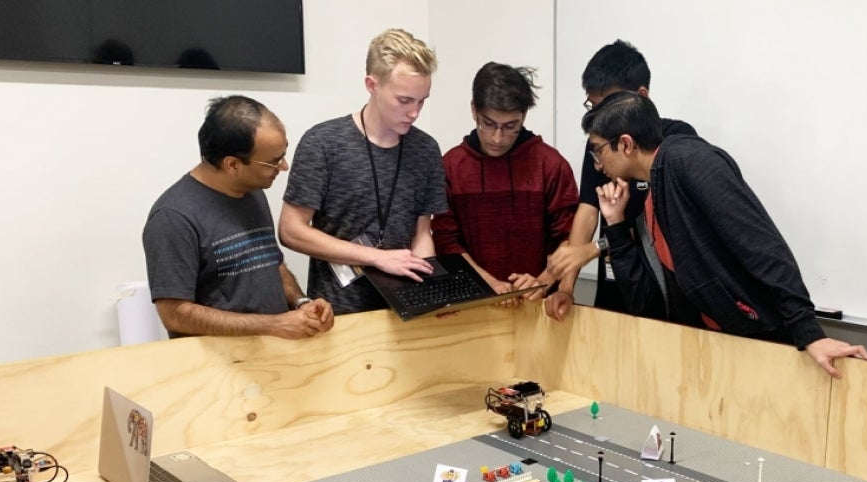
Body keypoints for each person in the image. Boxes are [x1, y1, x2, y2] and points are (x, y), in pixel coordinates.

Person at [580, 92, 867, 378]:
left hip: (763, 341)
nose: (597, 163)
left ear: (626, 144)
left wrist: (809, 332)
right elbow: (646, 301)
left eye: (598, 150)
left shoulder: (690, 161)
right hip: (718, 348)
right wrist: (616, 225)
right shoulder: (650, 199)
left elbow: (760, 244)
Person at [279, 28, 449, 315]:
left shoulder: (425, 149)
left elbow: (422, 234)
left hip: (404, 308)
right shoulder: (324, 143)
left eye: (422, 101)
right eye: (404, 100)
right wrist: (376, 258)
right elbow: (291, 231)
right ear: (372, 85)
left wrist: (430, 292)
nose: (415, 112)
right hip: (339, 312)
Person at [143, 95, 333, 339]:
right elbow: (175, 314)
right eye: (274, 162)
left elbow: (272, 262)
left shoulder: (252, 192)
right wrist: (272, 325)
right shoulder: (173, 217)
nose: (284, 167)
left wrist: (301, 302)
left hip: (272, 358)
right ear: (232, 165)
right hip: (219, 367)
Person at [544, 40, 697, 321]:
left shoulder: (677, 143)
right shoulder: (600, 144)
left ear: (641, 95)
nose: (596, 119)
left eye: (605, 107)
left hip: (667, 299)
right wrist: (567, 286)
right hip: (616, 285)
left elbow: (661, 225)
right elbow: (588, 211)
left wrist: (593, 248)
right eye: (592, 106)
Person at [431, 62, 578, 301]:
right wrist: (488, 283)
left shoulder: (550, 165)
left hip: (539, 306)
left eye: (511, 127)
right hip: (473, 304)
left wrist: (541, 282)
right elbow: (446, 241)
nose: (497, 138)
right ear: (473, 110)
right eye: (488, 124)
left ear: (524, 116)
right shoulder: (451, 166)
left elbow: (570, 238)